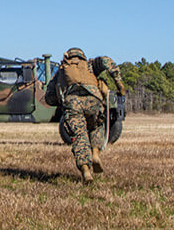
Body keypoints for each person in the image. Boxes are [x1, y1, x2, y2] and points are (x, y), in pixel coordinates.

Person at [44, 48, 126, 184]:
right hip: (93, 100)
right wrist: (119, 84)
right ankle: (95, 153)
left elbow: (49, 98)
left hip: (73, 103)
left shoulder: (61, 72)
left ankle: (86, 172)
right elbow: (107, 61)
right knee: (97, 126)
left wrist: (61, 99)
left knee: (80, 136)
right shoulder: (90, 65)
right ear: (82, 56)